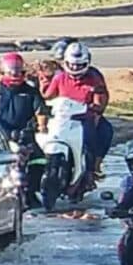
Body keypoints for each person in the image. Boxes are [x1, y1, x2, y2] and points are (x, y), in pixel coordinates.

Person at [41, 42, 112, 180]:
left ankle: (94, 167)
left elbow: (101, 100)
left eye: (79, 65)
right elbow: (47, 96)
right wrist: (43, 80)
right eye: (72, 64)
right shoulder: (59, 77)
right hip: (62, 118)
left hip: (84, 119)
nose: (75, 68)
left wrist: (95, 108)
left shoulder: (95, 77)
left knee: (105, 131)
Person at [0, 53, 47, 136]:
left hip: (26, 138)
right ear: (2, 72)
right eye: (11, 73)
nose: (15, 75)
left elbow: (41, 113)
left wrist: (42, 127)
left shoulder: (32, 92)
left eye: (18, 72)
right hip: (0, 139)